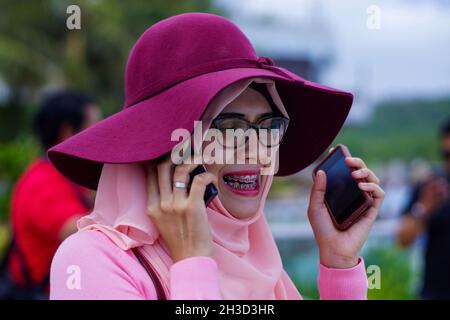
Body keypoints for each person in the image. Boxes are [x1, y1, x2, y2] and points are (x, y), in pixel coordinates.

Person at [48, 13, 384, 300]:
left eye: (268, 127)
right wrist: (193, 263)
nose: (256, 149)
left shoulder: (259, 261)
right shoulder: (91, 259)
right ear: (164, 146)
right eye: (228, 126)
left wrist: (339, 264)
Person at [5, 90, 100, 298]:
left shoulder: (58, 172)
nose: (101, 135)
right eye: (94, 126)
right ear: (67, 131)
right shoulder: (44, 184)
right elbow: (88, 233)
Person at [397, 117, 450, 299]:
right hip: (435, 293)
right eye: (447, 155)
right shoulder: (431, 186)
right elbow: (403, 240)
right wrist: (424, 208)